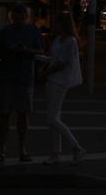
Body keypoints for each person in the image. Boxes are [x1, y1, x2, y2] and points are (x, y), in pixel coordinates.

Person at [35, 11, 86, 165]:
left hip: (60, 82)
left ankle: (76, 147)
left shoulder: (70, 42)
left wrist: (44, 72)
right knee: (55, 117)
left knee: (52, 119)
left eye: (55, 23)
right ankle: (55, 153)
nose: (53, 25)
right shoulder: (58, 39)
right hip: (53, 80)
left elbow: (61, 63)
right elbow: (52, 57)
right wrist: (38, 60)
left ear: (62, 24)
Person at [0, 3, 44, 162]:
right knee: (6, 114)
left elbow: (40, 50)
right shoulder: (5, 32)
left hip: (22, 77)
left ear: (26, 17)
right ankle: (4, 149)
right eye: (17, 19)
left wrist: (27, 50)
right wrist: (10, 50)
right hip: (10, 77)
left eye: (21, 18)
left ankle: (20, 149)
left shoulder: (33, 31)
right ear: (12, 17)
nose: (19, 21)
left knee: (21, 115)